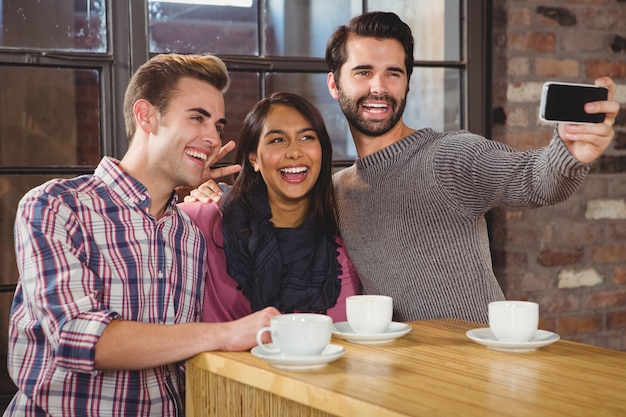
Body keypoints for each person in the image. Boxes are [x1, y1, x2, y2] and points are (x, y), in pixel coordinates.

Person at [187, 12, 620, 325]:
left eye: (393, 73)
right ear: (335, 83)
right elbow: (276, 223)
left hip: (483, 370)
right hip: (401, 381)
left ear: (407, 82)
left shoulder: (450, 155)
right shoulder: (335, 191)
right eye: (363, 72)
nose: (379, 87)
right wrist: (207, 193)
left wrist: (571, 150)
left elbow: (533, 179)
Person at [5, 53, 279, 417]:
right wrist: (227, 333)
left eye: (218, 125)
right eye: (197, 117)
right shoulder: (57, 206)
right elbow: (80, 338)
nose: (213, 137)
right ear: (146, 115)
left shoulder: (188, 235)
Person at [179, 92, 361, 323]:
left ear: (323, 153)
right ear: (254, 158)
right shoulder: (204, 220)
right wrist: (181, 183)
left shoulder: (343, 246)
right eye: (277, 140)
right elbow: (144, 223)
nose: (295, 151)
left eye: (306, 138)